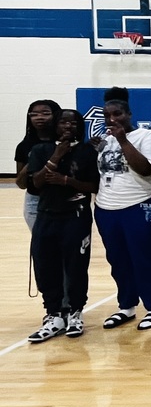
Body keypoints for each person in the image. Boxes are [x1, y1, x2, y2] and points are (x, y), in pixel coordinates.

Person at [94, 87, 151, 331]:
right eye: (107, 115)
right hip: (106, 208)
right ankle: (126, 306)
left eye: (117, 114)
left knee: (144, 257)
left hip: (140, 204)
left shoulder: (147, 136)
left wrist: (123, 140)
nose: (112, 119)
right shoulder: (105, 141)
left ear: (129, 114)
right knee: (117, 259)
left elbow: (145, 169)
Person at [25, 110, 99, 342]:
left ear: (80, 127)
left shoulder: (87, 151)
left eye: (73, 123)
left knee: (76, 265)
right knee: (45, 265)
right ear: (55, 125)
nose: (68, 126)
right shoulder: (41, 150)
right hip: (46, 216)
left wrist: (66, 181)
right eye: (63, 122)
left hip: (76, 216)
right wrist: (55, 157)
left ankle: (75, 312)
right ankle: (53, 315)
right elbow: (35, 184)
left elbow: (94, 186)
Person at [15, 99, 61, 231]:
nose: (39, 117)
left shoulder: (65, 143)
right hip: (35, 200)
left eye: (45, 113)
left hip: (62, 198)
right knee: (41, 240)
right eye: (34, 114)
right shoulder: (24, 146)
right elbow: (21, 184)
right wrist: (34, 161)